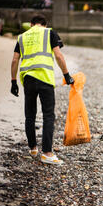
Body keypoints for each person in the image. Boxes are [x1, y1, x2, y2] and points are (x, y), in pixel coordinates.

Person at [10, 15, 74, 165]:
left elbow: (14, 60)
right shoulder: (49, 33)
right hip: (45, 78)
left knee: (30, 115)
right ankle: (47, 153)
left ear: (31, 24)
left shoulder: (22, 36)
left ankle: (33, 148)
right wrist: (67, 75)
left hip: (28, 80)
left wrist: (13, 82)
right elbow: (58, 55)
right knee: (48, 116)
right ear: (45, 24)